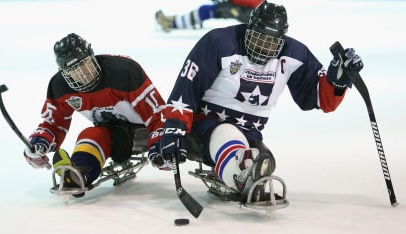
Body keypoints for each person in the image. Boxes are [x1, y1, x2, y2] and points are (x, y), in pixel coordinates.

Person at [148, 0, 364, 203]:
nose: (263, 47)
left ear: (282, 40)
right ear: (248, 28)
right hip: (203, 126)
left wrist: (336, 81)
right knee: (227, 136)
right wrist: (174, 130)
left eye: (272, 42)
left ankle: (243, 173)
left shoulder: (294, 54)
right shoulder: (219, 42)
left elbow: (319, 98)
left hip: (248, 132)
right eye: (259, 38)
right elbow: (186, 90)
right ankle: (242, 178)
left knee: (265, 159)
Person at [23, 33, 166, 197]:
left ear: (92, 55)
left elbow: (157, 112)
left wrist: (161, 140)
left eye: (84, 64)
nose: (82, 74)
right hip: (114, 135)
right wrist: (38, 143)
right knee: (90, 134)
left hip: (144, 132)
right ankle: (78, 175)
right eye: (73, 70)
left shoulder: (124, 71)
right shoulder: (59, 86)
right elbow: (53, 125)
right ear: (64, 72)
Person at [155, 0, 262, 32]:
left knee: (206, 11)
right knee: (206, 10)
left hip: (249, 12)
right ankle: (174, 21)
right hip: (247, 10)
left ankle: (172, 23)